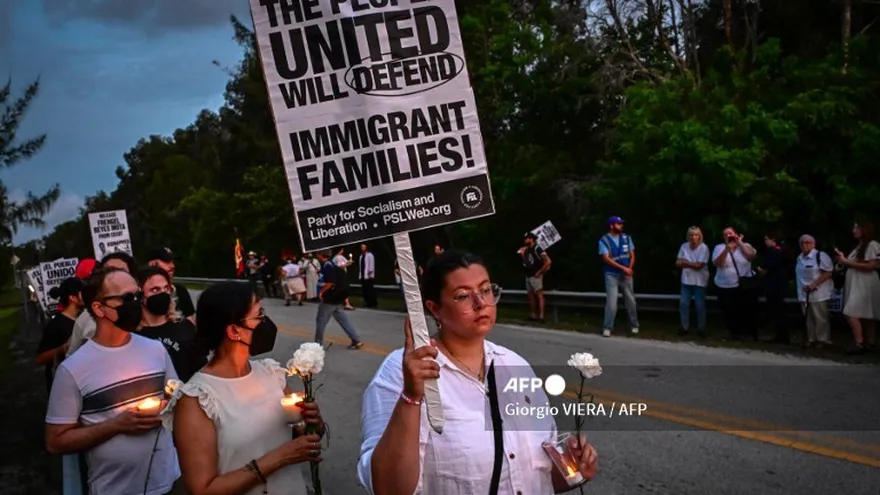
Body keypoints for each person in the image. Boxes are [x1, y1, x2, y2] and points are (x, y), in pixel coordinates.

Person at [358, 250, 598, 494]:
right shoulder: (403, 373)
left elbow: (540, 477)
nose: (481, 303)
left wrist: (574, 468)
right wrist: (410, 398)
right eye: (463, 296)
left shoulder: (515, 366)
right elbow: (387, 488)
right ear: (435, 309)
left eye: (485, 290)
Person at [162, 282, 325, 495]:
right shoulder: (198, 399)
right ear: (234, 330)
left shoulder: (270, 373)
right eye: (259, 315)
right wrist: (281, 457)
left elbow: (305, 435)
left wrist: (314, 423)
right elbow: (202, 489)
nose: (265, 322)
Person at [45, 268, 182, 494]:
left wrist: (166, 407)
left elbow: (176, 395)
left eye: (138, 295)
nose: (136, 303)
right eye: (127, 298)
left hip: (169, 483)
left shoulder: (155, 349)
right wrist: (116, 425)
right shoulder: (72, 369)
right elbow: (55, 441)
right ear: (99, 308)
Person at [137, 266, 206, 382]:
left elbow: (201, 372)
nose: (163, 294)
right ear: (139, 294)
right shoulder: (133, 335)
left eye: (166, 288)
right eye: (155, 290)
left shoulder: (185, 328)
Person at [67, 252, 138, 357]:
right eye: (108, 271)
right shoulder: (85, 320)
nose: (113, 275)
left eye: (120, 271)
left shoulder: (146, 309)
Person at [834, 220, 880, 354]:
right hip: (856, 282)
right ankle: (870, 342)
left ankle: (859, 342)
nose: (854, 231)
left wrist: (847, 262)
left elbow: (873, 265)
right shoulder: (858, 247)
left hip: (865, 282)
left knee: (852, 312)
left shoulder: (872, 245)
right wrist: (842, 261)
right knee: (865, 313)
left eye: (857, 228)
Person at [35, 277, 84, 393]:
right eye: (83, 293)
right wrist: (63, 349)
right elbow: (39, 359)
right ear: (73, 298)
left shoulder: (84, 319)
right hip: (62, 387)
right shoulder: (56, 325)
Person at [712, 227, 758, 341]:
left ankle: (748, 333)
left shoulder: (745, 245)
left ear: (736, 234)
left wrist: (740, 243)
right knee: (728, 310)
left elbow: (751, 256)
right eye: (726, 234)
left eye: (730, 233)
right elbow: (718, 263)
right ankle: (733, 333)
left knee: (745, 310)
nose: (729, 236)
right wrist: (727, 250)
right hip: (724, 285)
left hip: (743, 284)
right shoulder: (719, 247)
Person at [315, 250, 365, 349]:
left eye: (317, 254)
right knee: (343, 319)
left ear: (320, 255)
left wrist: (321, 292)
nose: (316, 255)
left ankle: (317, 345)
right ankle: (356, 340)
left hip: (331, 298)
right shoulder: (333, 264)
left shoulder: (327, 266)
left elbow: (330, 282)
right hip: (339, 296)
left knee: (321, 321)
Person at [598, 216, 639, 337]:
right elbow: (606, 259)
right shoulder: (604, 240)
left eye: (621, 224)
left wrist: (629, 268)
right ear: (611, 226)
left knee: (630, 300)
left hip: (626, 274)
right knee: (612, 302)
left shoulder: (627, 238)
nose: (621, 226)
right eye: (618, 224)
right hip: (611, 274)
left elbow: (632, 255)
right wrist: (623, 268)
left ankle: (634, 325)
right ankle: (607, 327)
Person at [795, 235, 834, 349]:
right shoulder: (799, 257)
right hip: (804, 293)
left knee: (820, 318)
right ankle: (811, 339)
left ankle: (823, 340)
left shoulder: (820, 256)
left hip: (819, 293)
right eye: (802, 243)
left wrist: (814, 285)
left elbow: (828, 273)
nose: (804, 245)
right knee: (808, 318)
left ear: (813, 244)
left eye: (807, 242)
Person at [147, 247, 196, 323]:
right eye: (167, 262)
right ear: (152, 264)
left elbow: (191, 323)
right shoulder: (141, 292)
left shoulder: (180, 290)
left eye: (172, 262)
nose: (172, 266)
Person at [676, 226, 709, 337]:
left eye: (696, 235)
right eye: (691, 235)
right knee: (683, 303)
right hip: (686, 279)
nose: (693, 237)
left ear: (699, 236)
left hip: (700, 280)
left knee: (700, 305)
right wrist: (691, 264)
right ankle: (684, 327)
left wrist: (686, 263)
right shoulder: (684, 246)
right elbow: (678, 263)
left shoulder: (704, 248)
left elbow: (699, 266)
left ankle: (701, 328)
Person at [759, 230, 790, 344]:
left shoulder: (773, 252)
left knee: (777, 311)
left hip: (774, 285)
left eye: (766, 239)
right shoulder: (782, 251)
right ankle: (781, 334)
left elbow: (767, 267)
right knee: (779, 311)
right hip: (780, 284)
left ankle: (782, 335)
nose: (765, 241)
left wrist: (761, 270)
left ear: (773, 240)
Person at [519, 232, 551, 322]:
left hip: (536, 275)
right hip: (528, 275)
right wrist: (522, 254)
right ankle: (532, 314)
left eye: (526, 239)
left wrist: (540, 272)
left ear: (531, 239)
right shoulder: (527, 249)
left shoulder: (538, 248)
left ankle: (541, 316)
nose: (525, 240)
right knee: (530, 296)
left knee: (539, 295)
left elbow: (548, 261)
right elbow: (527, 263)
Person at [359, 243, 378, 308]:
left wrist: (369, 274)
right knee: (365, 290)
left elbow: (371, 265)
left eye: (363, 247)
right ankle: (367, 302)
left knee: (370, 290)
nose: (362, 248)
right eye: (361, 247)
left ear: (366, 247)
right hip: (363, 275)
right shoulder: (361, 256)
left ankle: (372, 303)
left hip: (368, 276)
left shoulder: (369, 255)